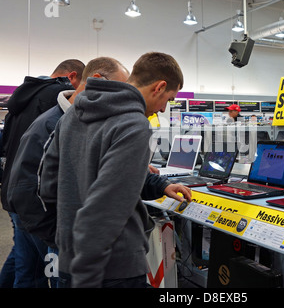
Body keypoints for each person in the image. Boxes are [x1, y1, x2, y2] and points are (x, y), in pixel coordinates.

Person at [39, 52, 191, 288]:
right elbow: (105, 208)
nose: (163, 109)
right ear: (159, 87)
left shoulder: (74, 113)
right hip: (112, 267)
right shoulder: (134, 124)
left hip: (70, 259)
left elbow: (47, 183)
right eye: (169, 99)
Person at [4, 57, 130, 287]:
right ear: (96, 81)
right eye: (118, 90)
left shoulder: (85, 122)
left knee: (28, 273)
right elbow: (24, 189)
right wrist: (60, 238)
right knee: (32, 277)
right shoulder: (53, 124)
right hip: (49, 228)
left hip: (51, 226)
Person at [0, 59, 85, 288]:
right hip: (37, 194)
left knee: (25, 265)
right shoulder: (56, 99)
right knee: (51, 269)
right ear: (74, 77)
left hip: (14, 188)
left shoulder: (20, 97)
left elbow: (6, 145)